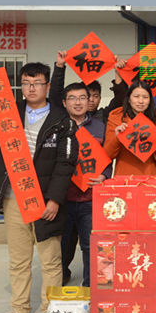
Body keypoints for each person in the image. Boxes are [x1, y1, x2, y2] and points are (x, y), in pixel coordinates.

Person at [0, 63, 78, 313]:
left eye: (37, 83)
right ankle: (19, 310)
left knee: (50, 260)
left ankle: (50, 311)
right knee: (18, 260)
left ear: (47, 86)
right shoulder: (8, 112)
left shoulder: (61, 120)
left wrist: (54, 199)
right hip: (13, 198)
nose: (31, 88)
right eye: (26, 83)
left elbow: (65, 164)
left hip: (45, 201)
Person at [60, 82, 113, 288]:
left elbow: (107, 158)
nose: (78, 102)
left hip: (91, 198)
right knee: (60, 247)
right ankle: (57, 284)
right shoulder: (57, 126)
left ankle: (92, 288)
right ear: (64, 102)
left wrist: (104, 176)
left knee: (91, 246)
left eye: (83, 97)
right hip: (63, 198)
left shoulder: (100, 127)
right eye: (72, 98)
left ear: (89, 100)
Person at [104, 81, 156, 176]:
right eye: (136, 96)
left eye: (145, 97)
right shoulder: (116, 118)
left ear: (150, 100)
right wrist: (117, 137)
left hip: (150, 175)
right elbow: (108, 155)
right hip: (125, 175)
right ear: (129, 99)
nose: (141, 101)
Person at [50, 50, 127, 123]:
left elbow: (120, 100)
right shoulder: (66, 115)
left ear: (100, 98)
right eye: (87, 96)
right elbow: (56, 95)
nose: (91, 100)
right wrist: (59, 66)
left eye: (95, 96)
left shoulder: (105, 116)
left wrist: (118, 72)